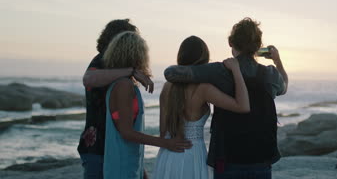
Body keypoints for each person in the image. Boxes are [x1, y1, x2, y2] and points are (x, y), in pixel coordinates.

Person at [164, 18, 288, 179]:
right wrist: (277, 60)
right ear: (258, 47)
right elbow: (284, 86)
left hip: (228, 158)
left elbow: (170, 73)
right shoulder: (270, 74)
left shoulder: (219, 71)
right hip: (261, 158)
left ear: (231, 42)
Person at [78, 19, 191, 179]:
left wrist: (140, 168)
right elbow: (126, 132)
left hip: (117, 152)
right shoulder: (115, 77)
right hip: (98, 150)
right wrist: (165, 143)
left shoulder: (123, 81)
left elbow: (125, 129)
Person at [151, 36, 250, 179]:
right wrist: (236, 71)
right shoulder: (203, 88)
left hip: (168, 155)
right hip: (193, 153)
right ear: (204, 60)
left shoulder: (167, 87)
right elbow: (243, 106)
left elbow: (163, 132)